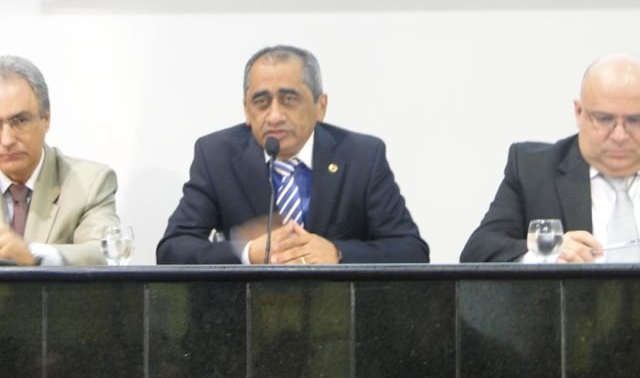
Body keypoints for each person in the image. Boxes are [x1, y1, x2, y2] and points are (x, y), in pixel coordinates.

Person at [157, 45, 428, 265]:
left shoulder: (362, 157)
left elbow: (411, 250)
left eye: (289, 100)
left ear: (320, 106)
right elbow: (173, 249)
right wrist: (247, 253)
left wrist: (337, 253)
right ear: (247, 111)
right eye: (261, 102)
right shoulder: (216, 156)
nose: (274, 115)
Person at [460, 53, 640, 263]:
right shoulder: (533, 170)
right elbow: (478, 253)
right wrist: (545, 253)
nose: (619, 136)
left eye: (635, 120)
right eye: (604, 119)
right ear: (579, 112)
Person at [0, 55, 119, 266]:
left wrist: (34, 256)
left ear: (46, 119)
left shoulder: (89, 184)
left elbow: (105, 253)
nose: (7, 140)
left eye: (20, 120)